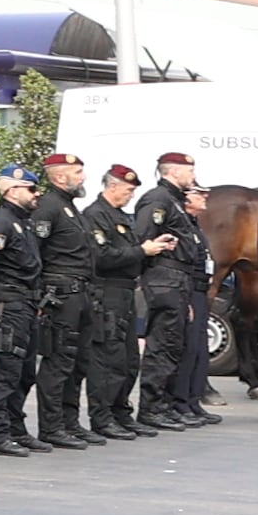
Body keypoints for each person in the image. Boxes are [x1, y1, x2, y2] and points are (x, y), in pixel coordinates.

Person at [0, 162, 51, 456]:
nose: (36, 194)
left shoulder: (23, 222)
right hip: (10, 303)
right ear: (12, 190)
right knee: (6, 370)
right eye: (31, 189)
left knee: (24, 371)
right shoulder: (0, 223)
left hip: (27, 304)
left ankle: (16, 428)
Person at [33, 149, 102, 450]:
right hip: (60, 295)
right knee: (58, 361)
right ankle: (51, 426)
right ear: (60, 177)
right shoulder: (47, 207)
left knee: (78, 362)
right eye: (77, 173)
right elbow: (33, 253)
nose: (83, 177)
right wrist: (39, 295)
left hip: (81, 293)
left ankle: (70, 422)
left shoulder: (70, 208)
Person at [78, 165, 153, 441]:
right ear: (112, 186)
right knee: (107, 358)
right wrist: (141, 251)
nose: (131, 195)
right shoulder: (96, 216)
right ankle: (102, 416)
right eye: (128, 190)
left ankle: (121, 411)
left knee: (129, 358)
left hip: (125, 292)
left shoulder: (121, 216)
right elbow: (102, 256)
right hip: (106, 291)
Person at [139, 153, 210, 429]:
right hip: (164, 277)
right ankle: (151, 409)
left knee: (173, 346)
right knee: (162, 346)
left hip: (178, 279)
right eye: (190, 171)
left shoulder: (174, 201)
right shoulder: (158, 199)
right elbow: (144, 237)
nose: (193, 176)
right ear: (174, 171)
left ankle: (166, 405)